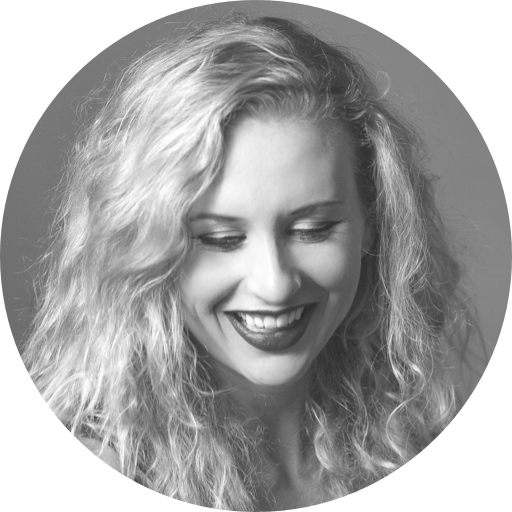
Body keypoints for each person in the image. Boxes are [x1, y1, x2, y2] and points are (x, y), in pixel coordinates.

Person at [21, 14, 479, 511]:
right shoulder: (113, 461)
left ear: (372, 223)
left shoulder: (406, 437)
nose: (275, 284)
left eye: (313, 230)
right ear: (144, 248)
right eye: (220, 239)